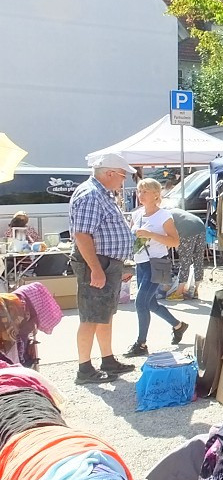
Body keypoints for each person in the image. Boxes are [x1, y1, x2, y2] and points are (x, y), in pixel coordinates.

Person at [68, 153, 138, 384]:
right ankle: (84, 369)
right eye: (122, 176)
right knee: (91, 317)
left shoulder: (100, 193)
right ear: (109, 173)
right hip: (97, 262)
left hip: (105, 262)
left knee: (104, 315)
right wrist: (96, 269)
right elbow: (81, 234)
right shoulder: (91, 194)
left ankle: (107, 360)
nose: (123, 181)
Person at [125, 178, 187, 357]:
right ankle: (178, 325)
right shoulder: (136, 214)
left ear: (155, 195)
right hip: (141, 262)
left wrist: (151, 234)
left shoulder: (164, 216)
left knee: (141, 302)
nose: (140, 195)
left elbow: (175, 241)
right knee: (150, 302)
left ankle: (141, 343)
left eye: (145, 191)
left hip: (158, 263)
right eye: (139, 191)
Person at [168, 206, 208, 301]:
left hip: (186, 231)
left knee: (185, 261)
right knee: (198, 259)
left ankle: (179, 292)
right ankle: (195, 291)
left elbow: (168, 235)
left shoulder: (164, 215)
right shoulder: (174, 211)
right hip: (200, 226)